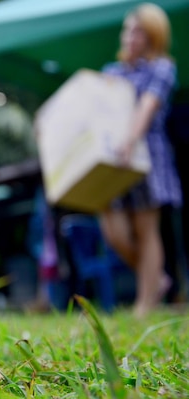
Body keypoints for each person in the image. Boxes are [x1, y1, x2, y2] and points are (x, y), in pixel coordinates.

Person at [98, 3, 182, 317]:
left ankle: (144, 305)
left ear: (153, 37)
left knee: (147, 231)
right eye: (129, 30)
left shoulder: (161, 68)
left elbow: (147, 107)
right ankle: (156, 278)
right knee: (115, 232)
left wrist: (129, 140)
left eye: (140, 32)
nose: (131, 37)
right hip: (111, 159)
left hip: (147, 157)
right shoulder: (112, 72)